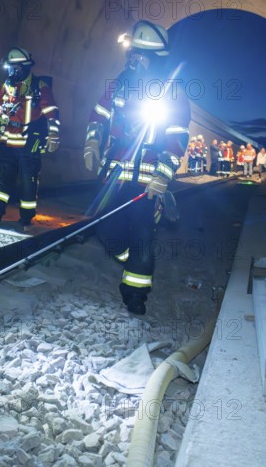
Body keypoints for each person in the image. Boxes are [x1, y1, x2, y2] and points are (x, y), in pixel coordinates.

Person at [84, 20, 191, 315]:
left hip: (147, 182)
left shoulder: (172, 94)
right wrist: (92, 142)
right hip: (114, 176)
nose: (134, 59)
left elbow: (178, 137)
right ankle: (128, 254)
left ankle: (135, 294)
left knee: (144, 235)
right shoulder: (119, 83)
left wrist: (162, 175)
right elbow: (99, 114)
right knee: (106, 228)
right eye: (133, 53)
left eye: (141, 54)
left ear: (155, 59)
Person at [0, 47, 60, 228]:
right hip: (8, 142)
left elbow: (52, 112)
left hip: (30, 143)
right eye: (9, 68)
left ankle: (26, 216)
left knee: (27, 181)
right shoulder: (6, 86)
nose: (11, 72)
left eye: (14, 68)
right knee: (3, 177)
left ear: (24, 67)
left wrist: (54, 134)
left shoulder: (40, 87)